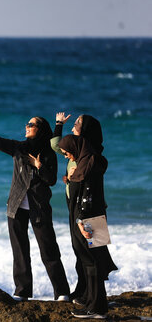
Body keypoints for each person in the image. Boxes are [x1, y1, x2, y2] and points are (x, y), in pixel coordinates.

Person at [0, 114, 70, 301]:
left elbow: (52, 180)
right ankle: (22, 291)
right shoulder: (18, 148)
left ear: (40, 129)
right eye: (27, 124)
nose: (27, 126)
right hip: (16, 205)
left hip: (39, 206)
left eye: (31, 124)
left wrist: (38, 165)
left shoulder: (48, 153)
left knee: (48, 249)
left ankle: (62, 292)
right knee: (20, 251)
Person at [51, 113, 117, 304]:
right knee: (85, 255)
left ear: (85, 130)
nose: (73, 128)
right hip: (80, 209)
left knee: (94, 256)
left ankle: (96, 301)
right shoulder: (80, 153)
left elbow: (89, 188)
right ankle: (88, 294)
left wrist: (80, 217)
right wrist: (69, 179)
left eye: (76, 124)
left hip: (88, 211)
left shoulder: (91, 158)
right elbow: (59, 145)